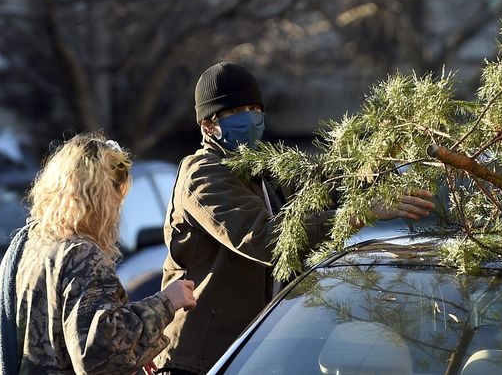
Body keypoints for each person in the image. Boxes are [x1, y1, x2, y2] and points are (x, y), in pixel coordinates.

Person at [155, 62, 434, 374]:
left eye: (254, 108)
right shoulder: (202, 174)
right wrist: (360, 213)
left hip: (253, 353)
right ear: (209, 125)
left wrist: (381, 158)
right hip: (202, 359)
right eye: (236, 112)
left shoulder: (263, 170)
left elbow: (325, 184)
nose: (250, 117)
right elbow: (262, 237)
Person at [0, 133, 196, 375]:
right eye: (115, 196)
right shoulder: (81, 254)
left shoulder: (28, 243)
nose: (117, 209)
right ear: (97, 195)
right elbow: (99, 356)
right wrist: (165, 304)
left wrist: (136, 348)